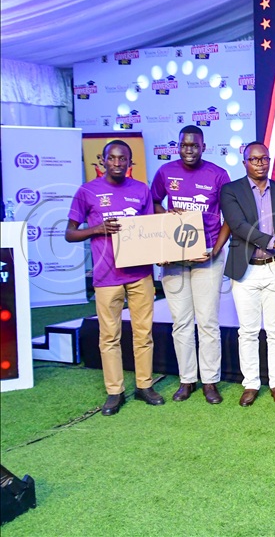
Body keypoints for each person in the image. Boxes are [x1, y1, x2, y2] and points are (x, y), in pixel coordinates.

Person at [66, 140, 162, 416]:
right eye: (113, 158)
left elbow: (149, 231)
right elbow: (70, 233)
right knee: (109, 337)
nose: (118, 163)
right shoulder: (87, 191)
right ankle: (114, 391)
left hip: (140, 274)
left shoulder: (141, 190)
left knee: (143, 334)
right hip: (106, 276)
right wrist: (96, 229)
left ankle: (144, 385)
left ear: (130, 163)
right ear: (103, 160)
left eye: (123, 159)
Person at [150, 125, 231, 404]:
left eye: (194, 145)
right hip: (174, 257)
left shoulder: (218, 175)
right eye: (184, 145)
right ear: (178, 146)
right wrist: (168, 214)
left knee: (207, 322)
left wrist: (216, 250)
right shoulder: (165, 173)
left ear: (203, 147)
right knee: (181, 322)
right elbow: (153, 204)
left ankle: (210, 381)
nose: (189, 150)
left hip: (207, 255)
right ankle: (187, 380)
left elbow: (230, 217)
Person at [220, 143, 275, 407]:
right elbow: (240, 227)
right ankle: (251, 384)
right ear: (244, 162)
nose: (260, 163)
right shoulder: (230, 191)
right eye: (254, 159)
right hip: (245, 270)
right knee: (248, 331)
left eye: (264, 158)